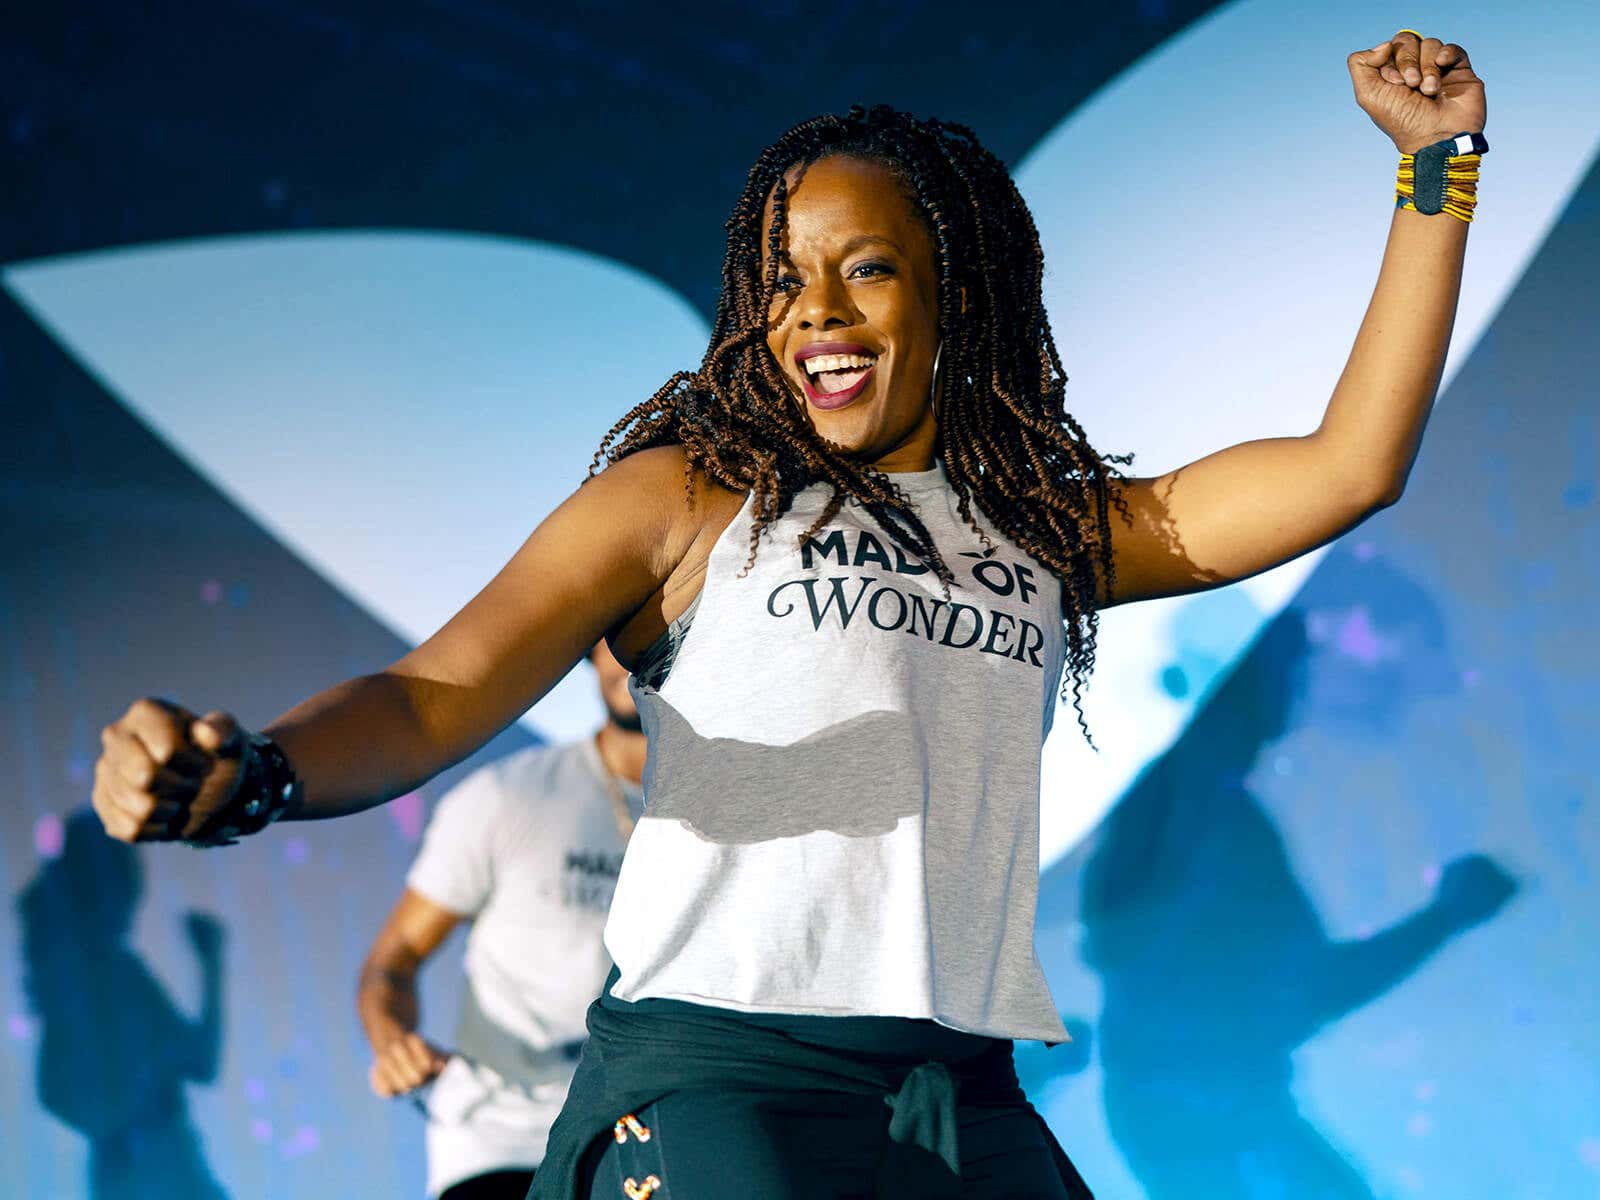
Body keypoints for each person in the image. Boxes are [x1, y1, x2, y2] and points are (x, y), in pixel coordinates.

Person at [91, 31, 1486, 1198]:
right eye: (781, 278)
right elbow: (430, 695)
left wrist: (1438, 170)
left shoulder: (1046, 529)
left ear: (955, 292)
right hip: (721, 1085)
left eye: (863, 267)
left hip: (958, 1097)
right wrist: (254, 772)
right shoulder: (686, 501)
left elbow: (1348, 469)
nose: (813, 309)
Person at [357, 643, 645, 1200]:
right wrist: (394, 1043)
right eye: (616, 640)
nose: (629, 660)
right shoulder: (507, 796)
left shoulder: (732, 814)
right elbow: (393, 960)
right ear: (589, 654)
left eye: (655, 630)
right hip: (498, 1132)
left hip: (638, 1126)